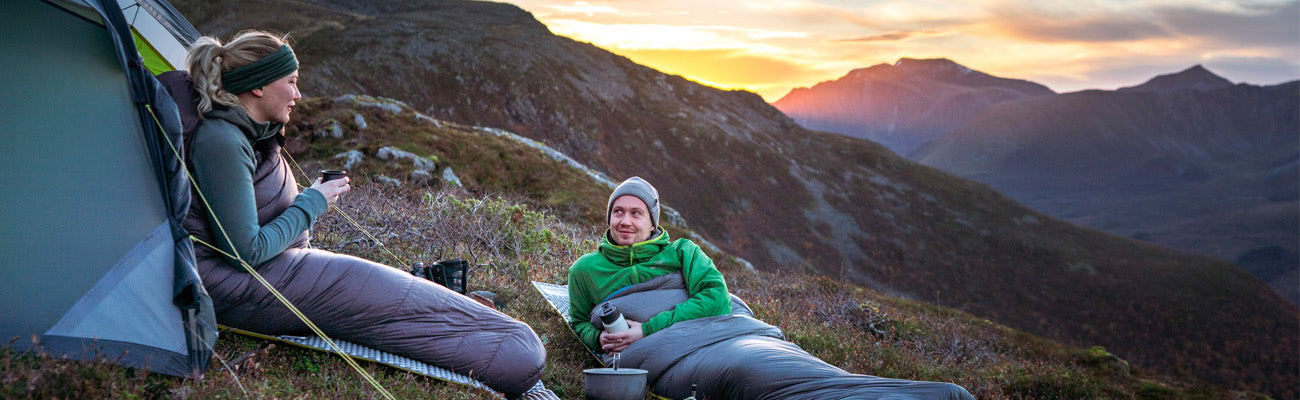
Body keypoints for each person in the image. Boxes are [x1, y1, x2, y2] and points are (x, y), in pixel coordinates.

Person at [179, 30, 544, 398]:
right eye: (290, 82)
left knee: (393, 297)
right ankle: (511, 353)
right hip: (234, 287)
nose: (298, 94)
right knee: (512, 349)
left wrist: (308, 199)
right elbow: (245, 251)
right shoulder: (223, 141)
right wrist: (313, 202)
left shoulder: (246, 133)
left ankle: (500, 338)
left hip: (273, 269)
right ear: (258, 85)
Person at [568, 176, 974, 400]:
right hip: (672, 360)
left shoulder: (682, 251)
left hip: (727, 334)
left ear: (652, 221)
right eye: (618, 212)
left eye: (636, 213)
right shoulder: (586, 270)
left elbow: (716, 299)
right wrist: (599, 337)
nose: (626, 221)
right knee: (748, 373)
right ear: (609, 217)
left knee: (791, 367)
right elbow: (579, 323)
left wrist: (647, 328)